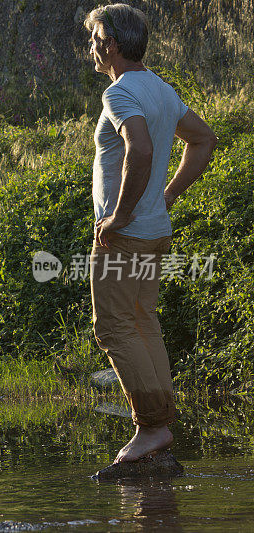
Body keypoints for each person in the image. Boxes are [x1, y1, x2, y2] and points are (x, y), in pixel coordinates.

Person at [84, 3, 217, 463]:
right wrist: (167, 197)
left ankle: (150, 429)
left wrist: (120, 216)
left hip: (127, 235)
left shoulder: (119, 93)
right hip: (155, 231)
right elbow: (203, 139)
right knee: (143, 323)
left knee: (115, 328)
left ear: (112, 45)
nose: (92, 48)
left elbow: (138, 148)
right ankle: (160, 425)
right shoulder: (160, 87)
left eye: (95, 40)